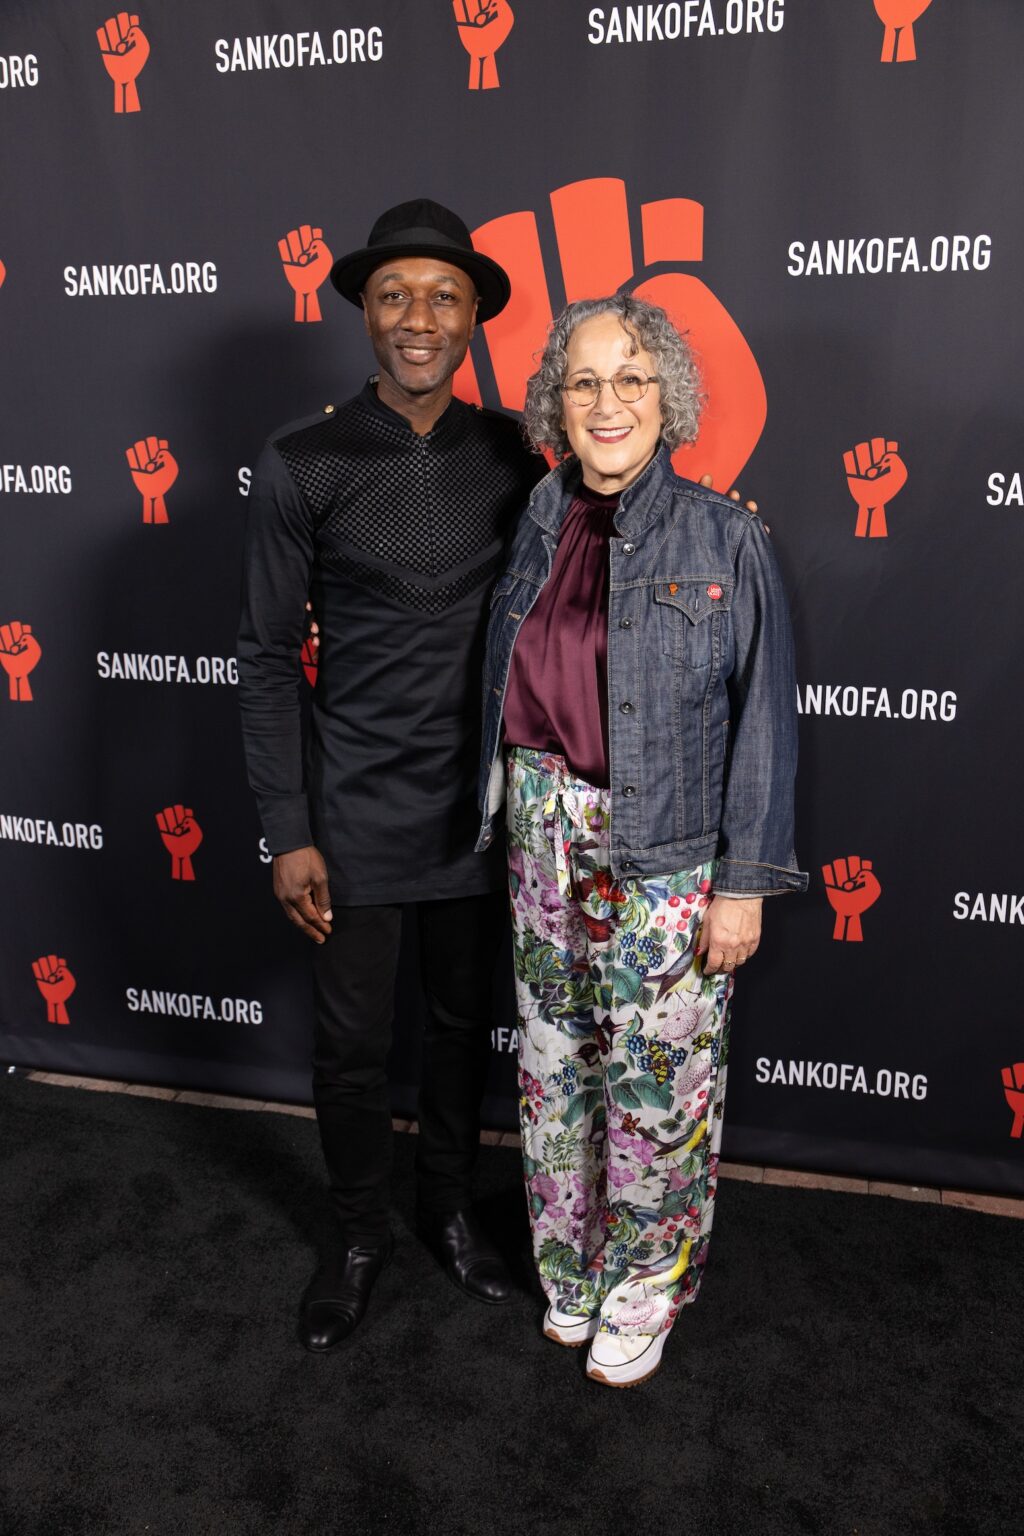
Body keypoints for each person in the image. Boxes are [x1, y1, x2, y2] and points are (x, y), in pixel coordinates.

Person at [476, 294, 807, 1387]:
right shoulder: (533, 516)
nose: (606, 401)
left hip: (664, 852)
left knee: (658, 1088)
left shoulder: (724, 534)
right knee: (552, 1070)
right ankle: (569, 1270)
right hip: (539, 833)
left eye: (631, 378)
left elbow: (762, 716)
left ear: (668, 398)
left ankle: (644, 1287)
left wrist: (742, 885)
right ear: (555, 404)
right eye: (583, 382)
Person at [237, 200, 545, 1352]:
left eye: (443, 295)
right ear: (365, 312)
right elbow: (266, 657)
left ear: (474, 315)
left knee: (465, 1026)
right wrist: (287, 828)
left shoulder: (517, 452)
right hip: (350, 812)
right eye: (395, 295)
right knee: (355, 1048)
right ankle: (358, 1234)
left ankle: (449, 1213)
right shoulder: (302, 462)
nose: (419, 317)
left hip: (482, 809)